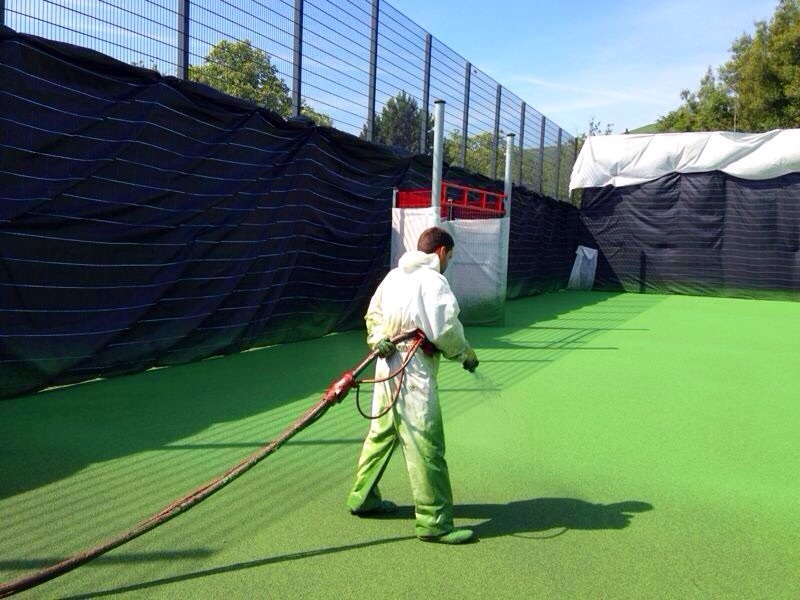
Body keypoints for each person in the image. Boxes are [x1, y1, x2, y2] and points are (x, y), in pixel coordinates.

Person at [346, 226, 480, 545]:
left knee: (382, 432)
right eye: (450, 256)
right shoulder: (433, 281)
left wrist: (378, 338)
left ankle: (362, 497)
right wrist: (465, 354)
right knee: (425, 442)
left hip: (386, 363)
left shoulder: (394, 277)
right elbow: (446, 327)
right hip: (414, 367)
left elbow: (373, 315)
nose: (449, 261)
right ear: (440, 252)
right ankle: (434, 522)